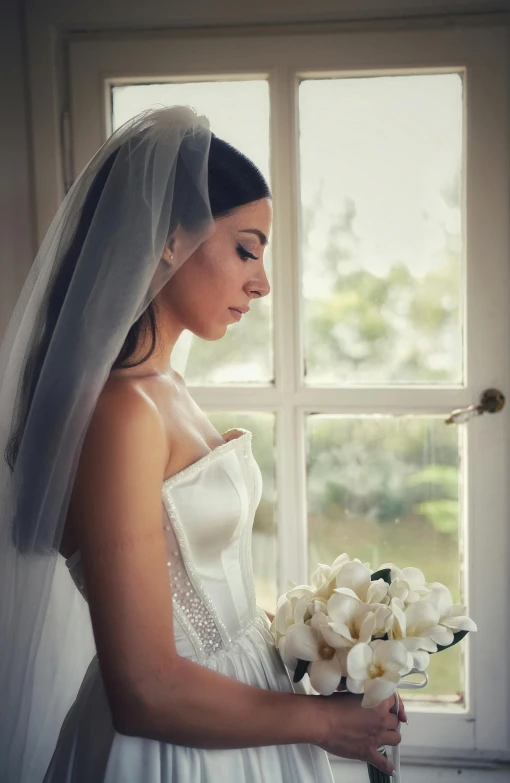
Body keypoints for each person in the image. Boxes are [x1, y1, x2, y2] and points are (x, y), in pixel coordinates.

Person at [0, 105, 405, 783]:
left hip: (245, 705)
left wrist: (329, 651)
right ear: (168, 236)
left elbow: (206, 592)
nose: (262, 281)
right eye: (246, 247)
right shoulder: (121, 412)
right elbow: (146, 689)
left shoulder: (167, 386)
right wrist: (327, 723)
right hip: (176, 750)